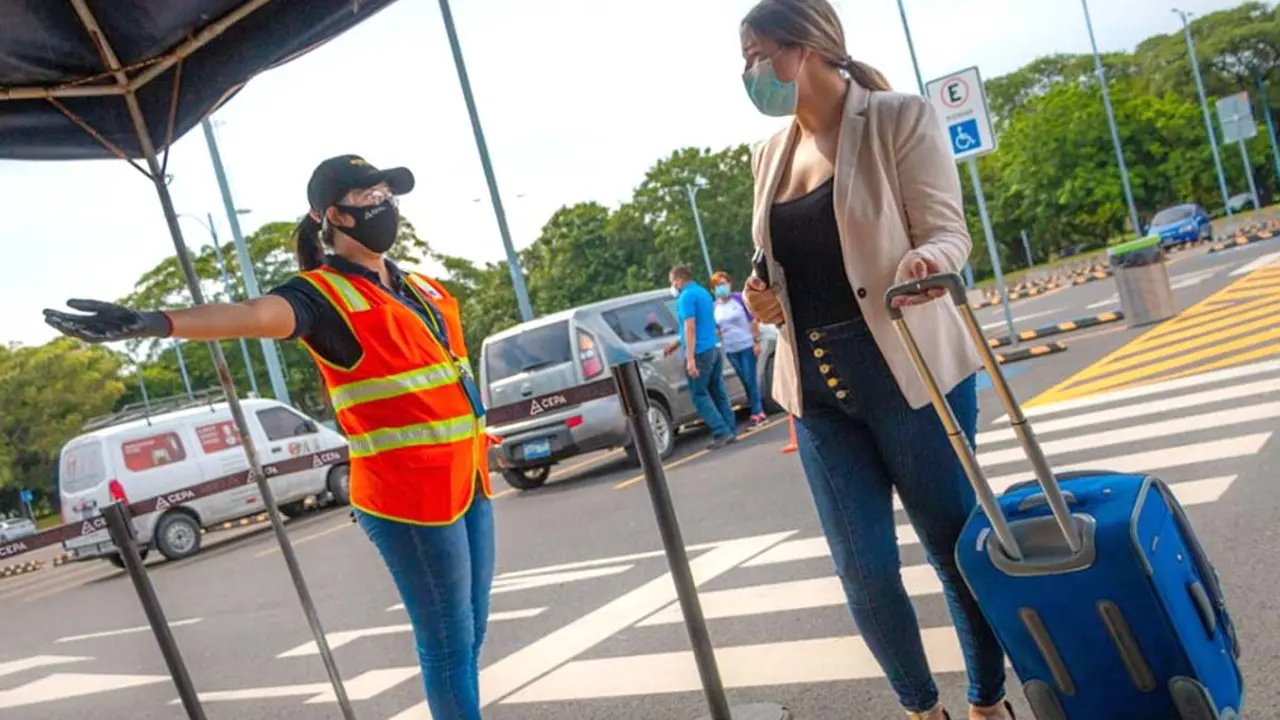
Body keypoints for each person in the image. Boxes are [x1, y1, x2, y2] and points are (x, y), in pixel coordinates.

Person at [43, 155, 494, 720]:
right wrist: (156, 322)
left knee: (469, 636)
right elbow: (252, 315)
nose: (385, 206)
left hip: (468, 480)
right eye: (369, 197)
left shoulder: (417, 287)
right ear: (334, 216)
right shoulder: (320, 297)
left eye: (388, 194)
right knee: (449, 645)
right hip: (411, 498)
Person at [737, 2, 1015, 719]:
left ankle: (986, 703)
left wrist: (927, 261)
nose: (748, 72)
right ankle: (923, 708)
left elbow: (949, 233)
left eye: (758, 54)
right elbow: (777, 267)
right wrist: (760, 295)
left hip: (912, 371)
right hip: (820, 392)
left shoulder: (898, 118)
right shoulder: (768, 154)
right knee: (862, 573)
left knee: (957, 553)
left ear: (808, 49)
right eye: (743, 60)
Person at [664, 265, 738, 449]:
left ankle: (721, 431)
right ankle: (730, 429)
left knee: (699, 394)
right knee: (717, 390)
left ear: (680, 280)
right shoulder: (703, 293)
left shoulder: (685, 298)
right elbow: (706, 324)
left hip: (699, 352)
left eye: (673, 281)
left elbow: (690, 327)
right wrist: (676, 344)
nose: (672, 285)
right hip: (712, 348)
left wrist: (690, 359)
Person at [710, 270, 767, 428]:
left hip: (746, 344)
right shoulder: (714, 307)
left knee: (750, 378)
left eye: (724, 283)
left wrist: (756, 341)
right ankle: (756, 409)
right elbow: (716, 329)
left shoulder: (738, 299)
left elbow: (753, 320)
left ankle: (757, 412)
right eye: (718, 285)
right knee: (744, 380)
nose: (722, 287)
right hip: (730, 349)